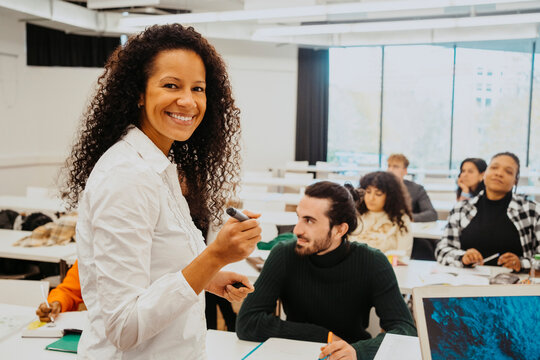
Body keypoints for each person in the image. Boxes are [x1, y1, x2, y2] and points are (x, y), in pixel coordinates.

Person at [62, 24, 262, 359]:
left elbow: (158, 270)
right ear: (139, 93)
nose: (188, 100)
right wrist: (214, 256)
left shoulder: (157, 167)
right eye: (171, 85)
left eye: (198, 88)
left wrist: (209, 278)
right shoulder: (127, 176)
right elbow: (124, 327)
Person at [236, 181, 416, 360]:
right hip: (294, 353)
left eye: (309, 221)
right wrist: (324, 336)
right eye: (299, 217)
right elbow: (248, 323)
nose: (297, 230)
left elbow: (405, 331)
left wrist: (359, 351)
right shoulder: (284, 254)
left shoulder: (372, 261)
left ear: (339, 230)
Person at [436, 152, 540, 272]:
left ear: (515, 180)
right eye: (494, 168)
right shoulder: (461, 210)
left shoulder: (531, 211)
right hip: (468, 284)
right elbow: (441, 250)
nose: (499, 173)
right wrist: (462, 257)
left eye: (508, 171)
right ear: (484, 174)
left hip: (515, 286)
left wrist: (521, 263)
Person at [349, 171, 413, 258]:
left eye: (378, 194)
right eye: (368, 192)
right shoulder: (356, 216)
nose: (371, 198)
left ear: (390, 196)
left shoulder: (401, 219)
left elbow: (403, 255)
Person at [387, 153, 437, 222]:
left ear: (405, 171)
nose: (390, 170)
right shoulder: (380, 188)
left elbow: (431, 214)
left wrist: (406, 218)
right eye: (389, 166)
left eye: (395, 167)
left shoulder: (417, 189)